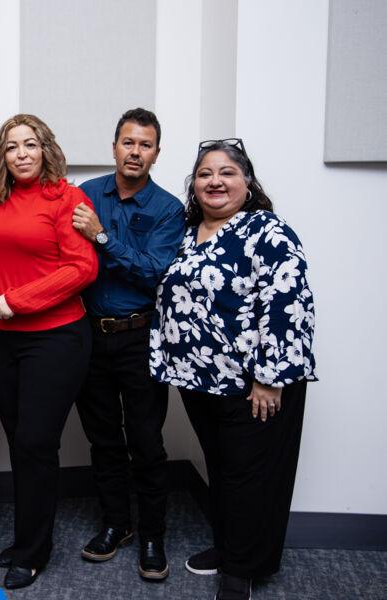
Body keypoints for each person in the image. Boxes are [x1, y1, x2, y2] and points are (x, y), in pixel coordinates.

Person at [150, 139, 316, 600]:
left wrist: (269, 378)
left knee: (248, 475)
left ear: (247, 181)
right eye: (205, 173)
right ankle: (229, 548)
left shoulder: (267, 230)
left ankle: (242, 568)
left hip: (254, 384)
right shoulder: (185, 234)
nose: (215, 181)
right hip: (199, 380)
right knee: (223, 469)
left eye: (227, 172)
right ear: (194, 184)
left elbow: (288, 303)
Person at [0, 114, 99, 590]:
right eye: (12, 147)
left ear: (46, 149)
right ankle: (30, 537)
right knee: (19, 441)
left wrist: (19, 300)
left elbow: (82, 267)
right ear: (2, 156)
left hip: (55, 338)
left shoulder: (68, 199)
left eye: (30, 144)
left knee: (35, 442)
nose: (22, 153)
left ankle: (32, 551)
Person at [70, 108, 185, 580]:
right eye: (128, 142)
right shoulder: (85, 194)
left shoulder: (169, 209)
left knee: (146, 441)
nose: (135, 152)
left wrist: (100, 237)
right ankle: (117, 524)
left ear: (156, 153)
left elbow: (153, 272)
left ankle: (153, 535)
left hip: (140, 337)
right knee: (103, 440)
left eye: (145, 145)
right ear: (114, 146)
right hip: (89, 337)